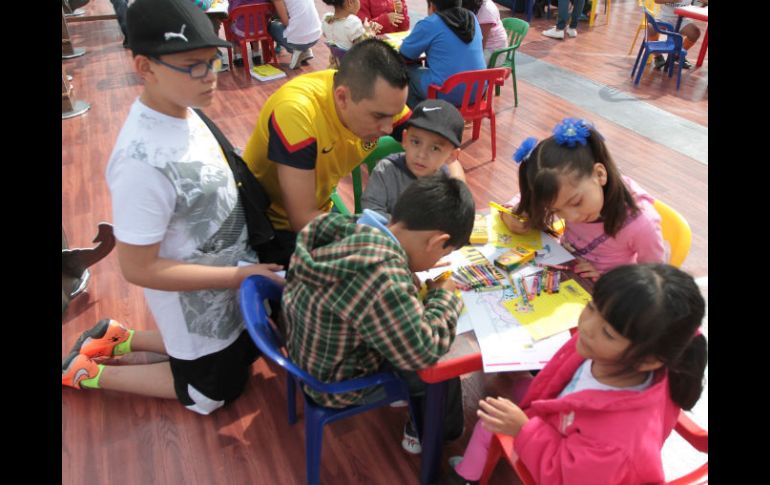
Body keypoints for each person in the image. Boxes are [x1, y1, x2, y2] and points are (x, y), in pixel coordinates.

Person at [61, 0, 285, 415]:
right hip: (196, 304)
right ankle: (85, 371)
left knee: (245, 353)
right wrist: (237, 275)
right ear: (144, 67)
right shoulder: (140, 162)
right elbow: (138, 268)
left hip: (230, 281)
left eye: (212, 60)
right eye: (192, 65)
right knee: (211, 394)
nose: (210, 76)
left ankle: (121, 337)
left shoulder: (182, 108)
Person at [445, 263, 707, 485]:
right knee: (517, 382)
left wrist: (523, 430)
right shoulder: (640, 348)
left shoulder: (616, 444)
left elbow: (562, 477)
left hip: (567, 459)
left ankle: (465, 478)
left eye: (608, 333)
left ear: (648, 361)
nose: (588, 327)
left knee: (486, 425)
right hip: (564, 416)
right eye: (592, 307)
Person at [283, 174, 475, 454]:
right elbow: (425, 350)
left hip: (308, 350)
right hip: (335, 381)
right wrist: (443, 295)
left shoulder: (352, 224)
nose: (436, 262)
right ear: (437, 242)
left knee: (407, 331)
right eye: (441, 254)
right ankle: (443, 434)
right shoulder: (382, 275)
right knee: (440, 368)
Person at [241, 38, 412, 267]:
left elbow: (436, 143)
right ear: (342, 97)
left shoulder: (380, 102)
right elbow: (301, 219)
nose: (389, 128)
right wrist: (386, 236)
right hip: (275, 228)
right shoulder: (297, 112)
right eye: (379, 117)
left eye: (394, 115)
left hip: (322, 210)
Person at [500, 118, 665, 280]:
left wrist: (606, 279)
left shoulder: (642, 224)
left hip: (607, 294)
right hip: (566, 271)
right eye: (556, 210)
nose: (571, 217)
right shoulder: (573, 189)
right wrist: (511, 212)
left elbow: (653, 283)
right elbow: (528, 197)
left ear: (600, 175)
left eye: (576, 203)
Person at [361, 98, 466, 219]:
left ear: (451, 156)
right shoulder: (385, 171)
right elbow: (371, 212)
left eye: (435, 148)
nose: (421, 155)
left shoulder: (448, 182)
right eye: (416, 142)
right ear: (405, 139)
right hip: (386, 236)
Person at [399, 0, 486, 108]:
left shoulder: (431, 23)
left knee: (406, 72)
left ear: (432, 6)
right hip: (478, 90)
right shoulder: (472, 18)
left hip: (448, 92)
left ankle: (419, 119)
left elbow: (404, 54)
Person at [321, 0, 382, 68]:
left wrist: (363, 31)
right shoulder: (352, 22)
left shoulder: (326, 19)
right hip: (351, 69)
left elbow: (338, 35)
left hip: (335, 65)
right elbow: (363, 48)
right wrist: (370, 32)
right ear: (350, 2)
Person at [650, 0, 708, 70]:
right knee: (650, 28)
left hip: (683, 19)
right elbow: (657, 1)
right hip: (664, 18)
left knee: (695, 33)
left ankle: (678, 55)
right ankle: (658, 56)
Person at [268, 0, 322, 69]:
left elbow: (285, 22)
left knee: (271, 26)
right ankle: (305, 50)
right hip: (316, 36)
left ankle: (297, 49)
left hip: (300, 40)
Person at [461, 0, 507, 66]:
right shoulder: (473, 4)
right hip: (482, 45)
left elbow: (481, 44)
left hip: (493, 51)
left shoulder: (486, 10)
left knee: (465, 66)